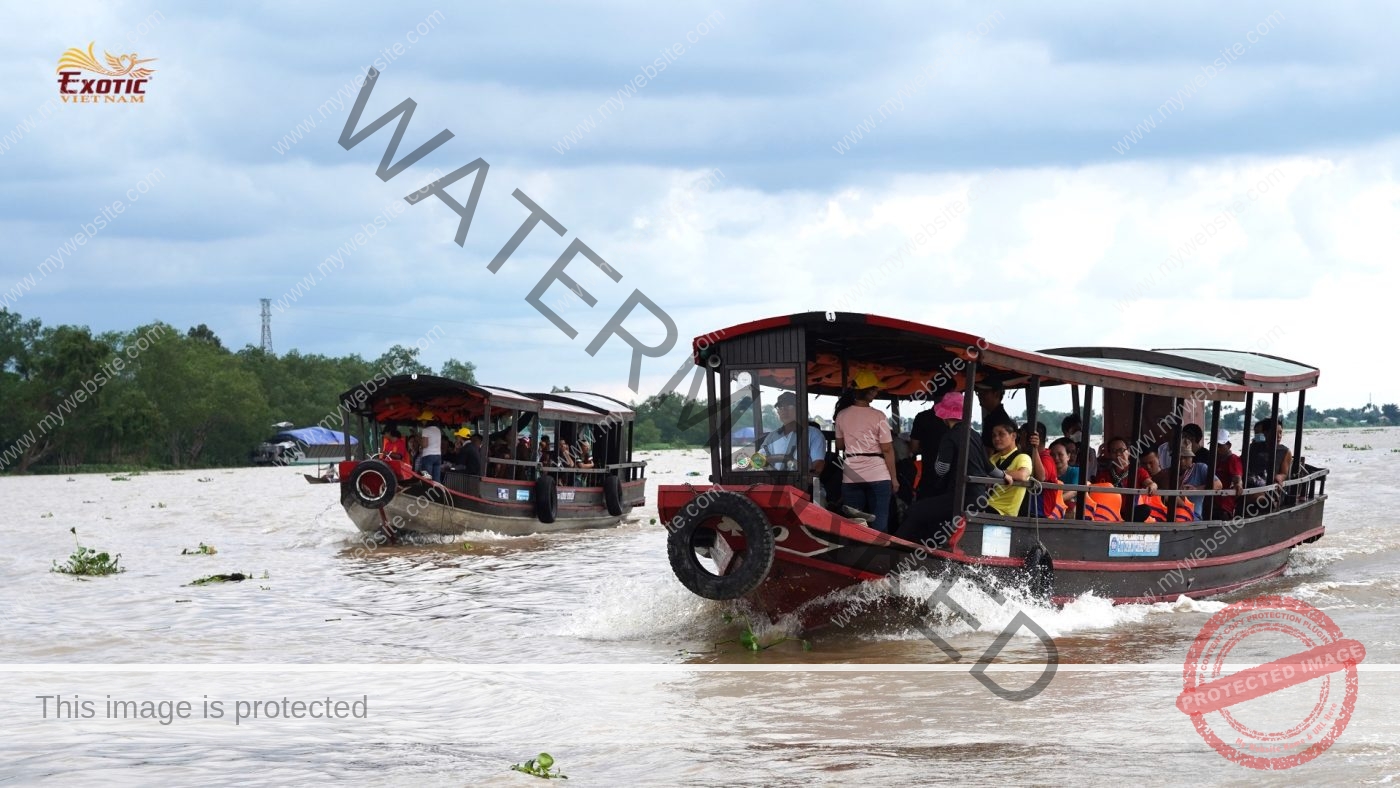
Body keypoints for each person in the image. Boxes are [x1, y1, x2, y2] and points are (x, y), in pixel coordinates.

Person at [895, 392, 995, 545]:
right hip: (979, 497)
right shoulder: (974, 434)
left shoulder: (949, 436)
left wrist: (937, 462)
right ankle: (928, 548)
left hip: (961, 497)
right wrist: (1005, 475)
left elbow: (941, 470)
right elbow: (988, 466)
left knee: (915, 510)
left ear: (944, 416)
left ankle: (894, 546)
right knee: (934, 515)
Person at [835, 371, 898, 533]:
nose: (877, 392)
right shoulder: (878, 416)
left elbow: (840, 446)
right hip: (878, 474)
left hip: (851, 475)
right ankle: (878, 553)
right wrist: (894, 479)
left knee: (854, 523)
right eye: (876, 390)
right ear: (869, 391)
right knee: (879, 520)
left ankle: (854, 553)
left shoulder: (841, 415)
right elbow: (887, 449)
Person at [760, 391, 826, 475]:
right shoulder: (772, 436)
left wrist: (808, 476)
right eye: (780, 407)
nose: (784, 410)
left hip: (802, 484)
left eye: (789, 405)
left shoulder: (813, 434)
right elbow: (758, 459)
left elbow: (818, 464)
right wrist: (773, 474)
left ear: (799, 408)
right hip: (776, 485)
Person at [911, 391, 954, 499]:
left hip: (929, 472)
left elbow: (914, 447)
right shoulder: (958, 426)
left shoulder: (922, 418)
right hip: (952, 476)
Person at [986, 420, 1033, 516]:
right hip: (986, 504)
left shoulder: (1023, 457)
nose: (996, 438)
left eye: (1001, 434)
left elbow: (1022, 475)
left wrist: (998, 474)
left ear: (1014, 436)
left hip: (1002, 512)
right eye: (994, 436)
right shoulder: (994, 458)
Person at [1170, 437, 1221, 519]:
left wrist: (1197, 489)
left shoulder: (1200, 468)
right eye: (1179, 458)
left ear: (1192, 458)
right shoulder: (1168, 473)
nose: (1182, 461)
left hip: (1193, 516)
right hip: (1170, 516)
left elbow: (1218, 485)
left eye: (1186, 457)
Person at [1019, 421, 1057, 516]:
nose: (1019, 443)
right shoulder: (1025, 457)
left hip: (1038, 512)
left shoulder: (1046, 458)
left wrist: (1034, 448)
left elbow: (1041, 477)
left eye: (1021, 439)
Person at [1211, 429, 1243, 518]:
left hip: (1224, 506)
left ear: (1229, 445)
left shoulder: (1233, 459)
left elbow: (1237, 478)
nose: (1217, 448)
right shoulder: (1216, 459)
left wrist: (1238, 484)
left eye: (1220, 446)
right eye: (1215, 445)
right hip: (1212, 502)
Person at [977, 381, 1013, 449]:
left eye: (984, 393)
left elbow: (990, 450)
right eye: (978, 393)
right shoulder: (993, 417)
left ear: (996, 394)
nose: (979, 396)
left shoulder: (998, 420)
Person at [1049, 437, 1079, 509]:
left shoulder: (1075, 472)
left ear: (1068, 456)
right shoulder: (1048, 474)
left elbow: (1073, 491)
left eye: (1060, 454)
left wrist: (1053, 502)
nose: (1056, 458)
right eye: (1052, 455)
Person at [415, 412, 443, 483]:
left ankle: (427, 491)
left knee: (427, 478)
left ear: (427, 421)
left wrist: (418, 439)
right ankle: (438, 492)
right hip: (438, 456)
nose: (422, 422)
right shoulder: (437, 430)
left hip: (428, 457)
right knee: (436, 480)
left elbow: (424, 445)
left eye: (423, 420)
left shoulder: (426, 430)